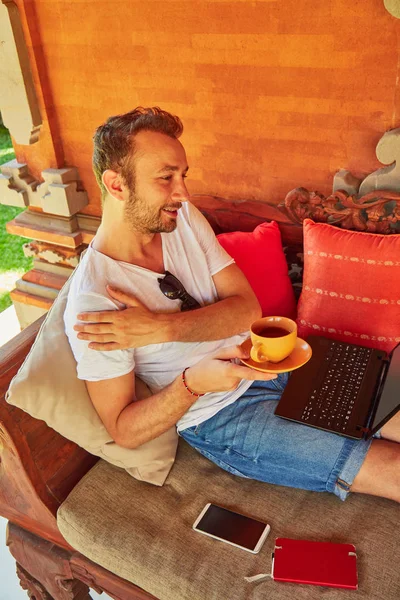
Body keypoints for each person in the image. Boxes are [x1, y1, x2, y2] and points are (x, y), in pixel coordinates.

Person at [64, 107, 400, 503]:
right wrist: (192, 384)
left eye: (183, 175)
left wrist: (162, 327)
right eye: (166, 177)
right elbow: (124, 429)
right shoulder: (95, 303)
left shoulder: (183, 219)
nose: (183, 192)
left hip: (274, 360)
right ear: (116, 185)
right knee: (392, 470)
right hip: (221, 416)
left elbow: (246, 311)